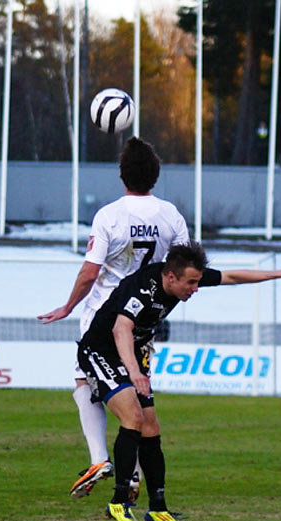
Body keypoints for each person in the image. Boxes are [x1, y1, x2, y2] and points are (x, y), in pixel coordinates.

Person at [78, 242, 281, 521]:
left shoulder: (182, 281)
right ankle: (119, 501)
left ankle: (158, 509)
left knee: (151, 428)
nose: (196, 289)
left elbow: (232, 277)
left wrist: (279, 274)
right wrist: (135, 372)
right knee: (133, 418)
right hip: (102, 350)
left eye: (198, 282)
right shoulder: (143, 287)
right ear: (171, 277)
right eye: (191, 283)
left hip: (133, 353)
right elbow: (120, 328)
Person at [38, 136, 189, 500]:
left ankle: (100, 459)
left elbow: (90, 273)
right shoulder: (171, 215)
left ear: (122, 176)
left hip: (104, 315)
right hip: (144, 318)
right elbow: (184, 264)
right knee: (134, 390)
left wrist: (68, 306)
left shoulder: (110, 215)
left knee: (83, 381)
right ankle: (133, 473)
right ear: (155, 176)